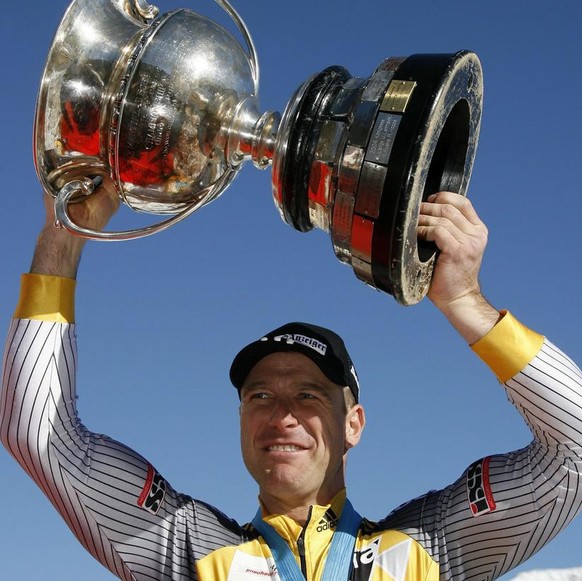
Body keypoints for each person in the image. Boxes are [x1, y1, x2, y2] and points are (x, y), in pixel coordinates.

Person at [1, 185, 582, 581]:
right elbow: (38, 434)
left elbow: (574, 451)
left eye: (308, 395)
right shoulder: (190, 549)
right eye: (260, 396)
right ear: (241, 422)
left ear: (353, 424)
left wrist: (463, 302)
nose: (281, 414)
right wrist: (62, 239)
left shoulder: (432, 547)